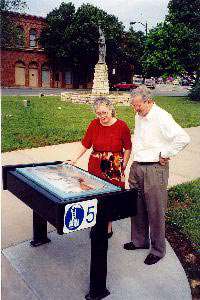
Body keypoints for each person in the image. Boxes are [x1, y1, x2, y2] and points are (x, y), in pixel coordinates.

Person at [124, 85, 190, 265]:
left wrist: (166, 153)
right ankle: (139, 241)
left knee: (155, 210)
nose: (136, 109)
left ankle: (158, 250)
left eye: (139, 106)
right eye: (134, 106)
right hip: (137, 166)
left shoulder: (162, 116)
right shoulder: (139, 115)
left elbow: (183, 138)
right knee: (136, 207)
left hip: (155, 169)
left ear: (150, 101)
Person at [64, 96, 132, 237]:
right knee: (95, 193)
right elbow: (85, 144)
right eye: (98, 113)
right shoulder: (94, 124)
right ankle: (95, 221)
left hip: (114, 165)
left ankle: (107, 225)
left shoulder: (122, 126)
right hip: (95, 164)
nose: (101, 116)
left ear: (111, 110)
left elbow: (128, 148)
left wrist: (123, 165)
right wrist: (74, 158)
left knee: (110, 196)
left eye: (104, 113)